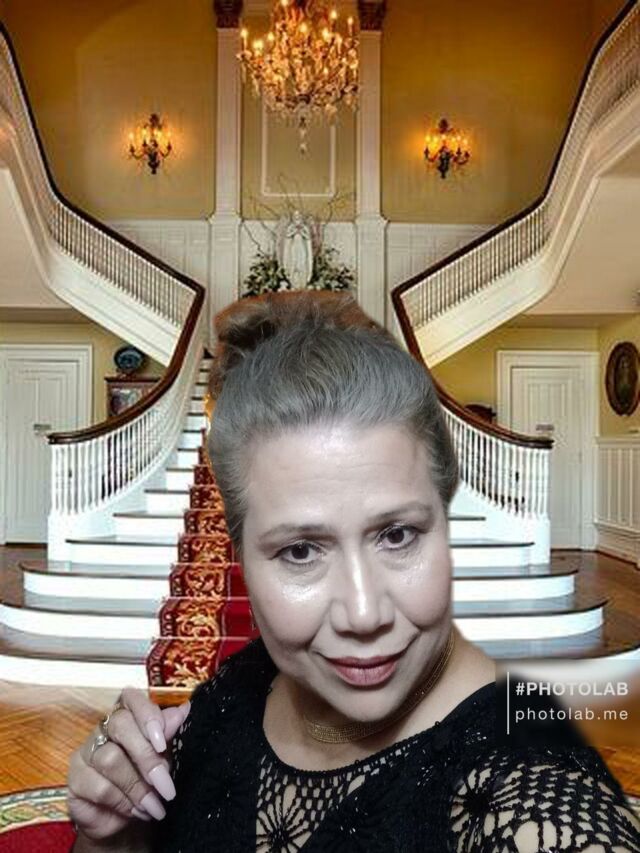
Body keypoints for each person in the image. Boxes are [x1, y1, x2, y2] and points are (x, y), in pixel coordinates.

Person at [68, 291, 640, 852]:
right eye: (300, 551)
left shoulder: (529, 785)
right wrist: (114, 840)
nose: (364, 615)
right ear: (239, 555)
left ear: (444, 518)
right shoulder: (233, 694)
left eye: (397, 535)